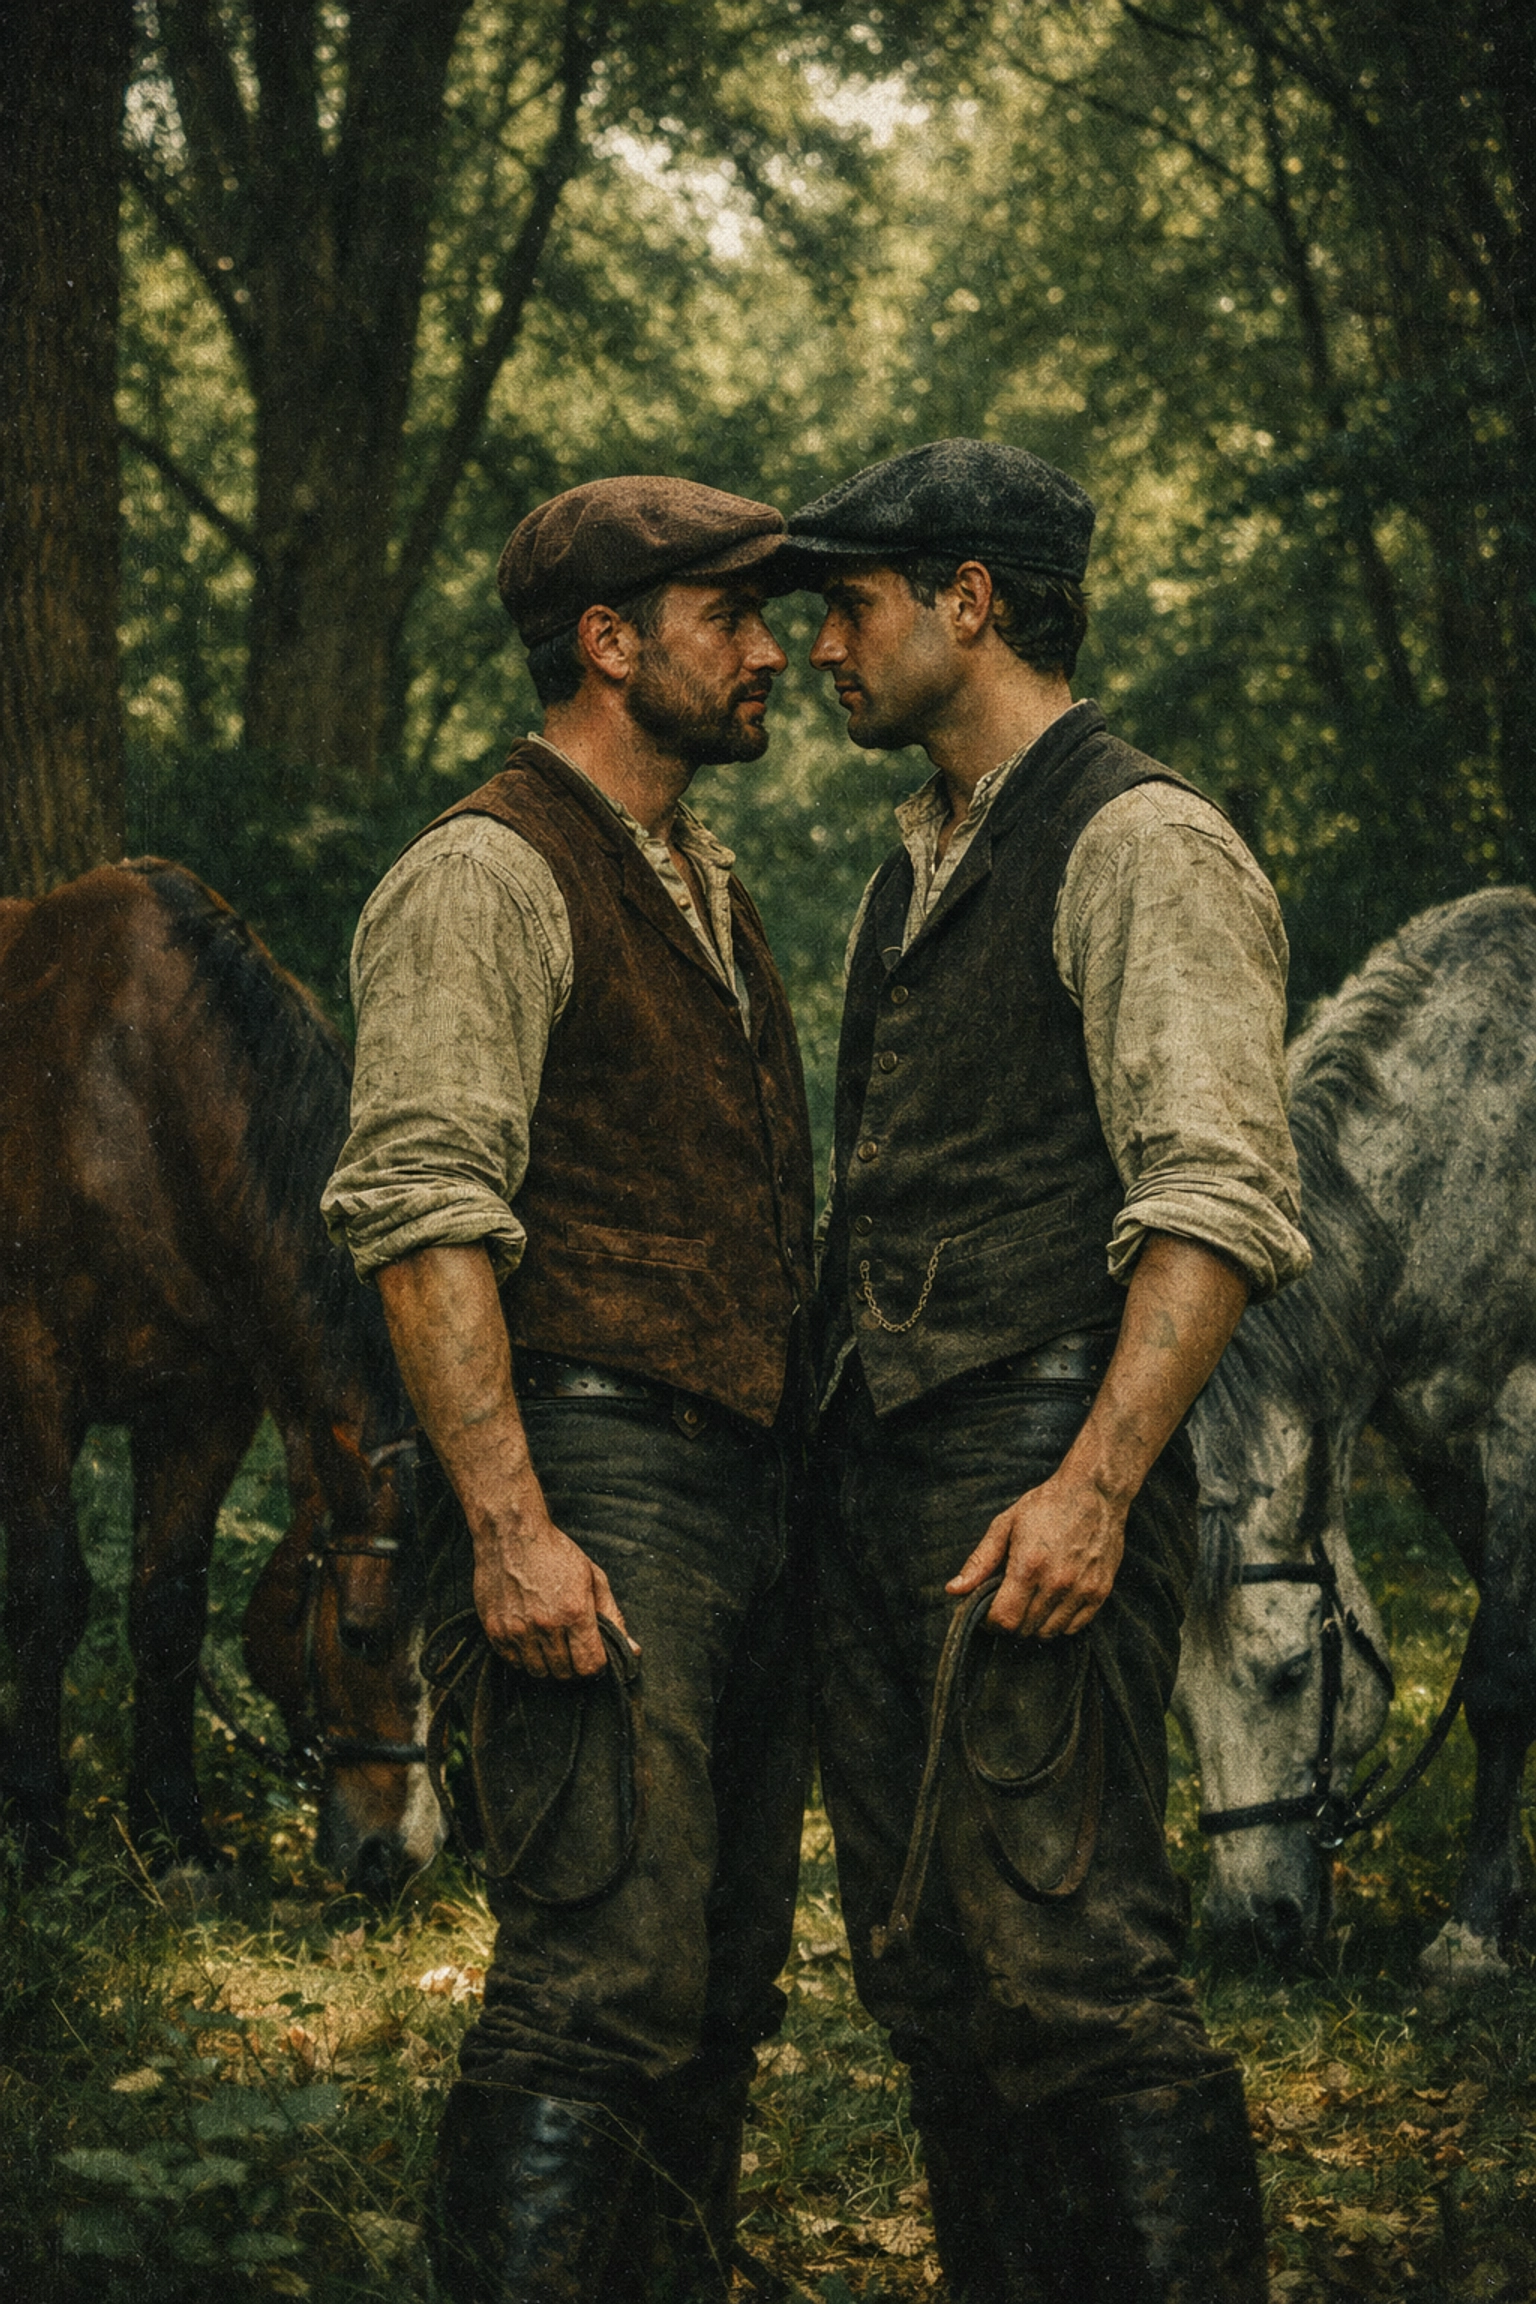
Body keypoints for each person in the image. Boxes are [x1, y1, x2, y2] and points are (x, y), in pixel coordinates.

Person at [778, 438, 1312, 2303]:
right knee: (936, 1975)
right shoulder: (915, 862)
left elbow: (1218, 1196)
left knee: (1076, 1973)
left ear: (971, 602)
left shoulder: (1141, 838)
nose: (820, 646)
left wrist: (1092, 1487)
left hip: (1036, 1481)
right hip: (906, 1493)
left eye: (850, 605)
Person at [322, 477, 816, 2304]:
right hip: (591, 1484)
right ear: (609, 642)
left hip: (733, 1494)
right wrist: (512, 1530)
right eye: (727, 617)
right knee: (595, 1978)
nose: (770, 650)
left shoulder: (698, 874)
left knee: (714, 1979)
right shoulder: (486, 869)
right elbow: (423, 1212)